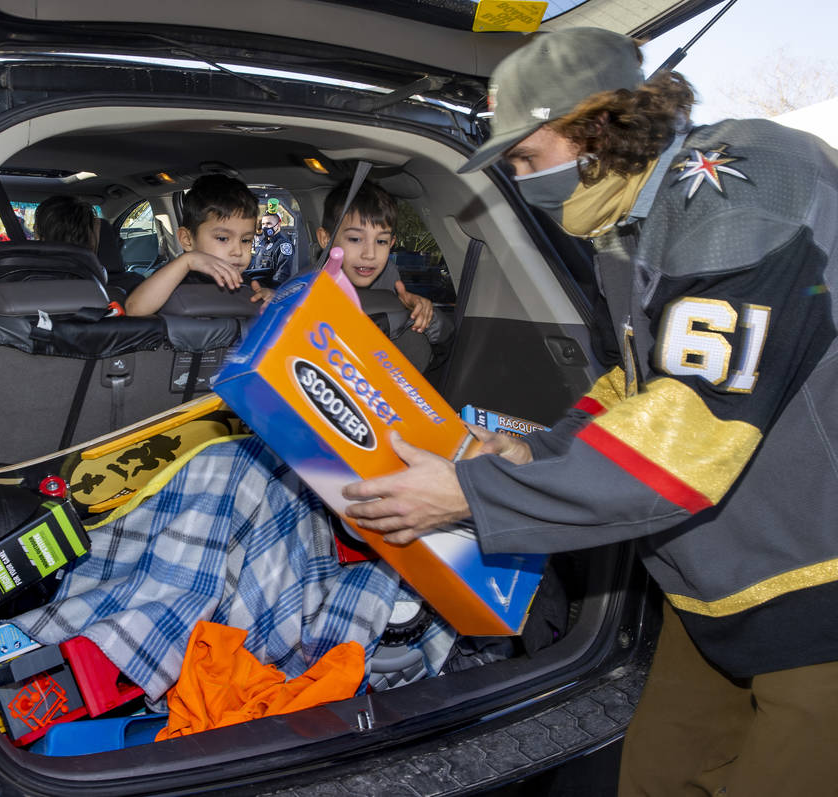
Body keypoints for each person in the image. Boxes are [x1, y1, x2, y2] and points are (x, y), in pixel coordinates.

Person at [340, 26, 838, 796]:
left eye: (525, 156)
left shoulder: (748, 184)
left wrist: (473, 495)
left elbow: (688, 433)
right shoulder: (625, 226)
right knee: (652, 777)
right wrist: (532, 455)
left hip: (815, 591)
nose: (518, 174)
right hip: (710, 585)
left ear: (597, 125)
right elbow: (628, 382)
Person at [124, 174, 262, 316]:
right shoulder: (172, 280)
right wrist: (187, 261)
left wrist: (271, 302)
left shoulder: (248, 286)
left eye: (246, 240)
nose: (238, 251)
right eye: (222, 238)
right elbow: (134, 310)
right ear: (187, 240)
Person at [315, 178, 434, 333]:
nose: (370, 254)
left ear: (391, 244)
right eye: (355, 239)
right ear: (326, 239)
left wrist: (407, 305)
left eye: (381, 241)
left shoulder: (388, 273)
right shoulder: (311, 284)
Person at [247, 210, 295, 287]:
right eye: (263, 224)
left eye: (268, 223)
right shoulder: (263, 243)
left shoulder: (283, 245)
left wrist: (271, 291)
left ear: (278, 225)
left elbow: (282, 274)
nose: (265, 227)